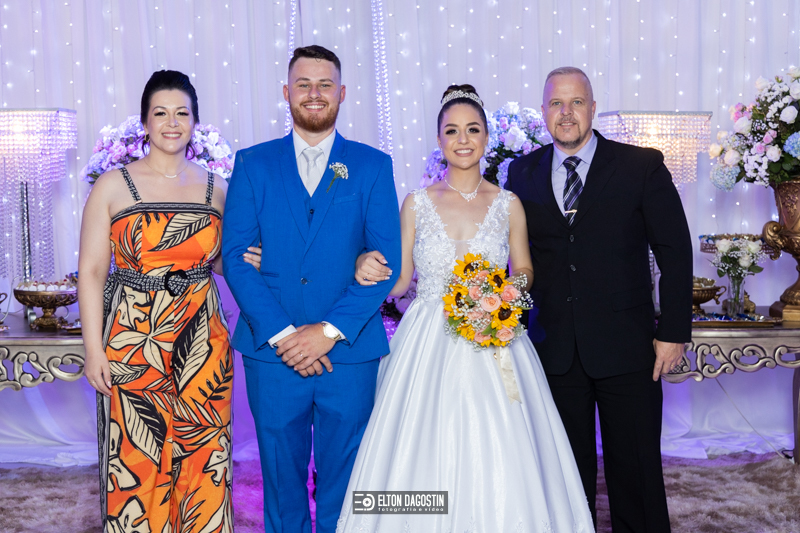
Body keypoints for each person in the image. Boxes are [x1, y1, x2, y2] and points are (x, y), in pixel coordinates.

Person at [338, 85, 594, 532]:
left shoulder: (508, 203)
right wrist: (361, 266)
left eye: (473, 129)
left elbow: (525, 268)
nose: (463, 139)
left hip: (493, 332)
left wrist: (501, 294)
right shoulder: (416, 203)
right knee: (420, 442)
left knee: (504, 440)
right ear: (439, 139)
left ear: (487, 137)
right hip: (427, 338)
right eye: (452, 130)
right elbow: (401, 280)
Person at [221, 45, 402, 533]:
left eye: (325, 84)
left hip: (349, 351)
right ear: (287, 92)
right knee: (281, 484)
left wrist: (327, 331)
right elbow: (236, 261)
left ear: (342, 93)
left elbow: (386, 264)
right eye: (304, 84)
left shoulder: (371, 165)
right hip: (272, 353)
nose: (314, 93)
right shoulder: (253, 164)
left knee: (347, 481)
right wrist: (285, 336)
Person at [505, 67, 693, 532]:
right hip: (553, 347)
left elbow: (674, 250)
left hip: (627, 347)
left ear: (593, 107)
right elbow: (513, 255)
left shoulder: (640, 165)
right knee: (564, 477)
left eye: (576, 102)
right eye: (556, 103)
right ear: (543, 111)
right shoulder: (521, 172)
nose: (566, 113)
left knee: (636, 472)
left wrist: (673, 331)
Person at [80, 70, 261, 532]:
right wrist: (94, 349)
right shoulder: (112, 185)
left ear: (195, 122)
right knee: (138, 453)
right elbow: (93, 272)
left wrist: (253, 258)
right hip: (134, 337)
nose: (172, 122)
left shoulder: (217, 188)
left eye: (182, 113)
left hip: (203, 338)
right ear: (145, 122)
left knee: (204, 450)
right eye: (161, 113)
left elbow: (221, 261)